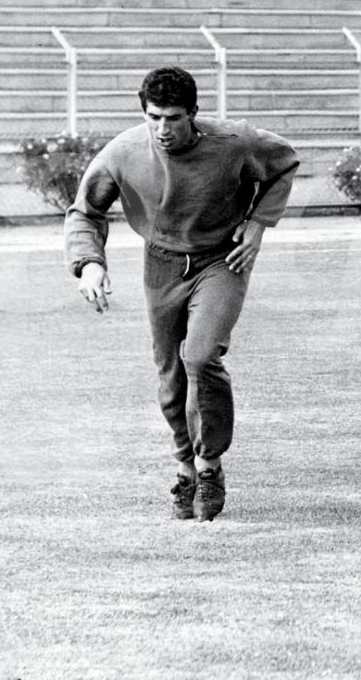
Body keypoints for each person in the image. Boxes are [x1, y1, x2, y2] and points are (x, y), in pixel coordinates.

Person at [64, 66, 300, 521]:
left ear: (193, 113)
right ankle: (185, 470)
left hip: (221, 260)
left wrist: (258, 222)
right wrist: (89, 262)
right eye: (154, 117)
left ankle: (210, 467)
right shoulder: (125, 151)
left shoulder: (235, 143)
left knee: (201, 354)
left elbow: (285, 162)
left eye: (173, 118)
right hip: (163, 264)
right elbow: (85, 210)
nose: (162, 129)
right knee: (171, 373)